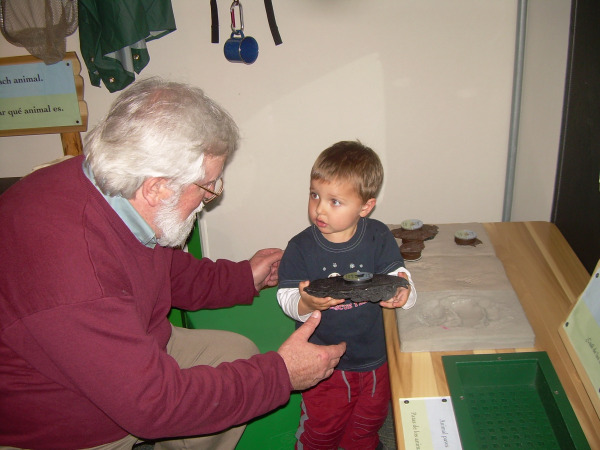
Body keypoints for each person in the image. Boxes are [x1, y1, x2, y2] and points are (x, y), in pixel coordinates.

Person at [0, 77, 346, 450]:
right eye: (208, 186)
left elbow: (157, 268)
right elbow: (152, 405)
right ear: (157, 188)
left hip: (120, 350)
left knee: (237, 353)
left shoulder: (109, 183)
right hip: (66, 418)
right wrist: (282, 375)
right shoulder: (75, 277)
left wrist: (242, 277)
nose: (211, 197)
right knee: (230, 385)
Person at [277, 141, 417, 450]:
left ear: (365, 207)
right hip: (323, 364)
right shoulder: (300, 247)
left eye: (335, 201)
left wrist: (404, 293)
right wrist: (304, 303)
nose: (320, 208)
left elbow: (399, 275)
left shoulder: (379, 236)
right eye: (315, 195)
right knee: (321, 430)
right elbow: (285, 295)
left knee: (367, 426)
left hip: (374, 359)